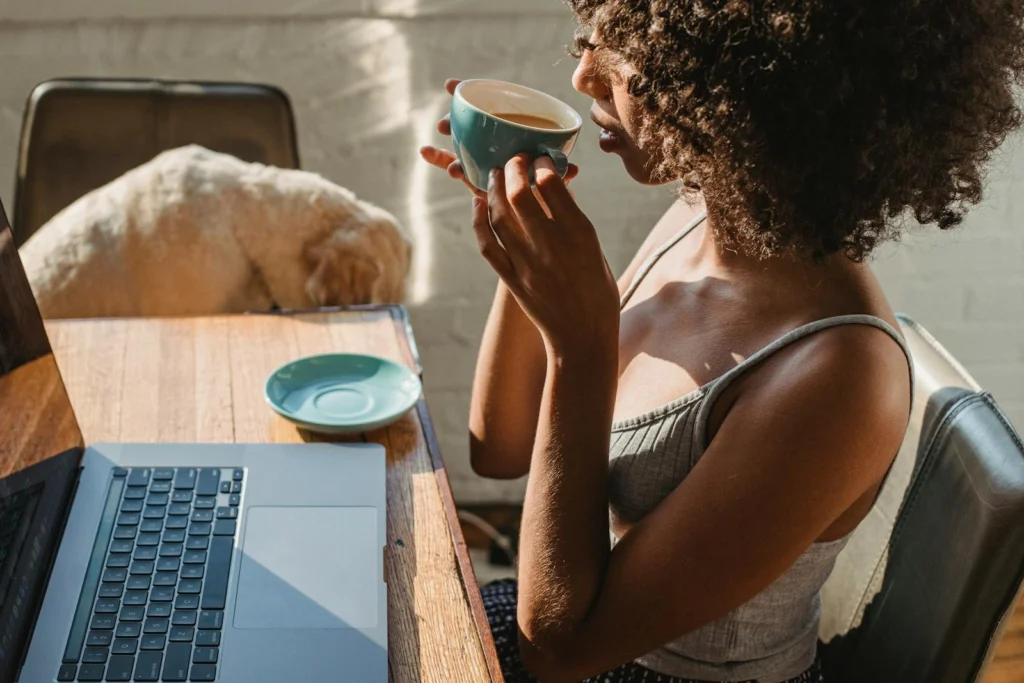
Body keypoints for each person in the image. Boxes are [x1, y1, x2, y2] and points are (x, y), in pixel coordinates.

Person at [420, 2, 1024, 681]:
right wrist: (526, 246)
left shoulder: (839, 373)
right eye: (593, 38)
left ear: (746, 85)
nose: (586, 75)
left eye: (630, 52)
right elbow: (498, 448)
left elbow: (561, 648)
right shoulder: (695, 214)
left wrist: (579, 348)